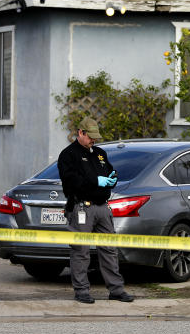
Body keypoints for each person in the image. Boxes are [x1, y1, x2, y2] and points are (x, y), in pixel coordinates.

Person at [57, 116, 134, 304]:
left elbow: (108, 171)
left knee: (109, 249)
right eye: (90, 136)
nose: (93, 140)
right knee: (80, 251)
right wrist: (96, 181)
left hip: (102, 207)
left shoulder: (99, 153)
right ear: (80, 133)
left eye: (95, 137)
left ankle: (116, 290)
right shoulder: (68, 155)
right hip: (82, 206)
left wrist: (112, 178)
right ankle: (81, 291)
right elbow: (71, 181)